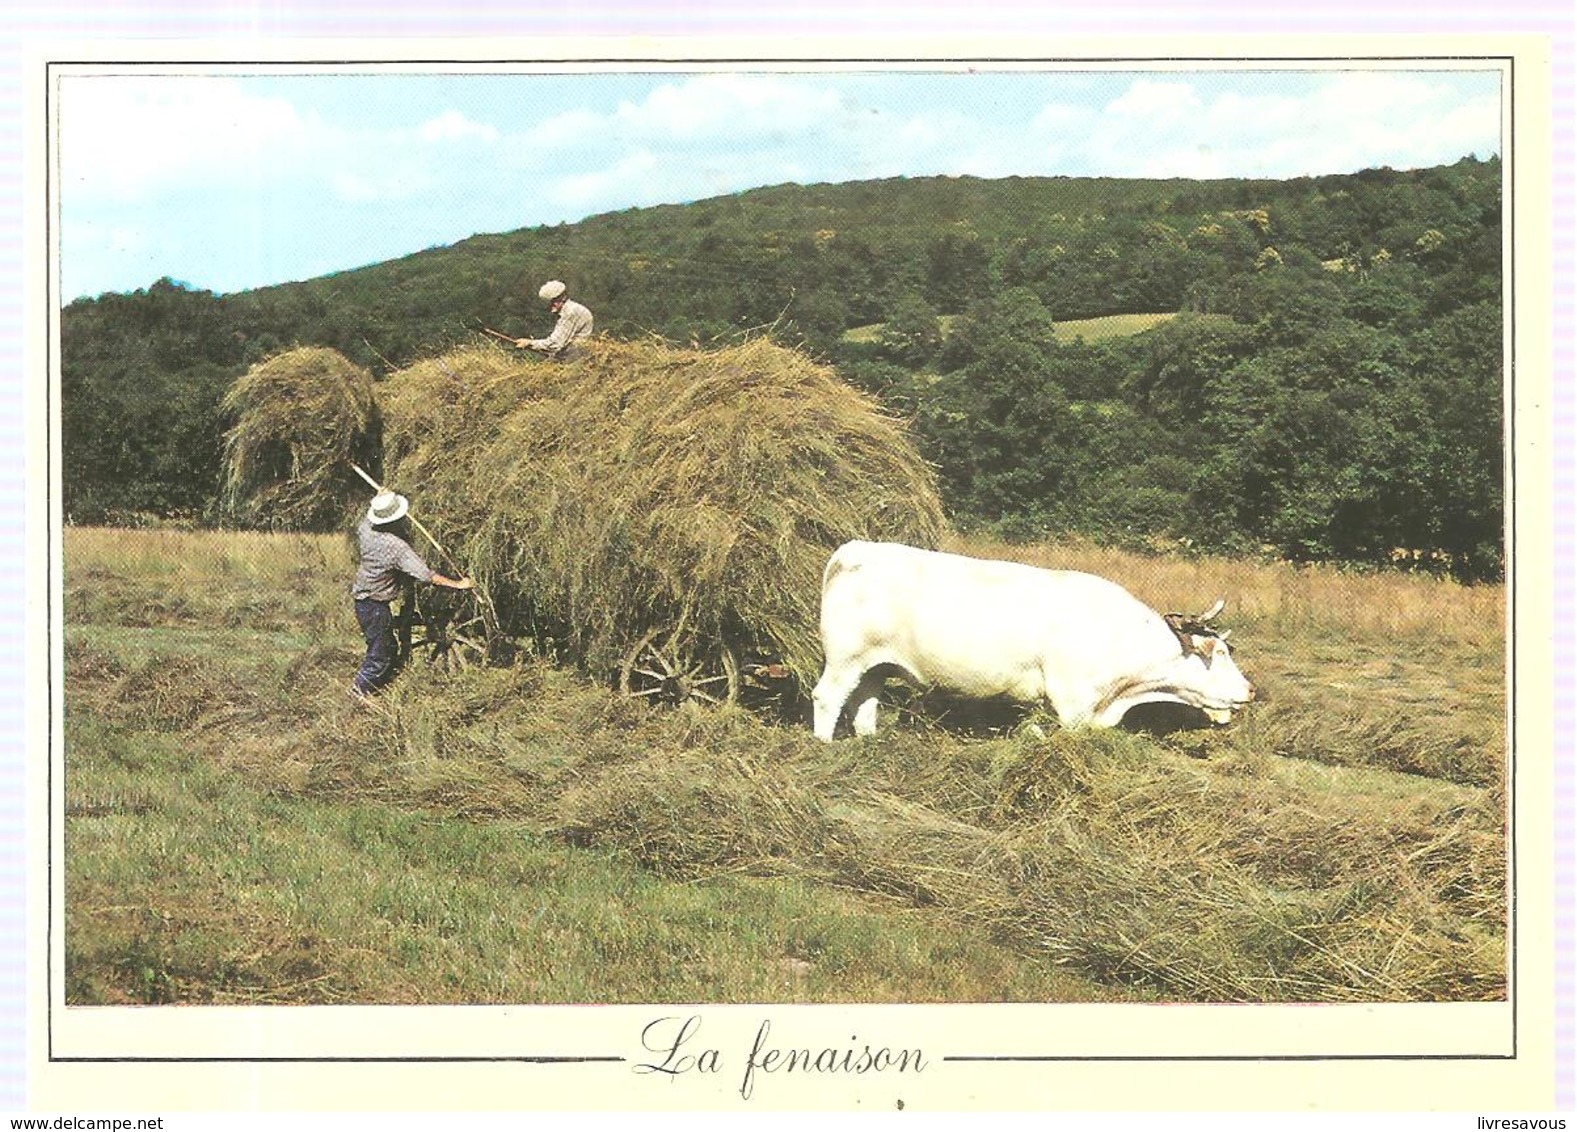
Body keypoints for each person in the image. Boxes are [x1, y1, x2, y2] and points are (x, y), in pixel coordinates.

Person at [351, 489, 473, 698]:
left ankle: (381, 689)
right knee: (380, 655)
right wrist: (458, 584)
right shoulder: (396, 547)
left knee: (385, 646)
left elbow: (366, 519)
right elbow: (426, 575)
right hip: (375, 605)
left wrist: (382, 498)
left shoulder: (366, 530)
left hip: (362, 599)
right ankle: (357, 694)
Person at [514, 279, 594, 359]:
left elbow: (555, 344)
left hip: (576, 358)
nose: (552, 304)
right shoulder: (566, 311)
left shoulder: (571, 312)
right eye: (550, 301)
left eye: (555, 300)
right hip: (570, 356)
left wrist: (529, 343)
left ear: (564, 297)